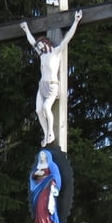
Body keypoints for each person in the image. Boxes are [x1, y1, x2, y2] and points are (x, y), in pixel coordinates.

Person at [21, 10, 83, 147]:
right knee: (38, 110)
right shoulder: (42, 55)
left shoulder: (55, 52)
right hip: (42, 85)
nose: (38, 47)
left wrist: (76, 21)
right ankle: (46, 133)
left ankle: (50, 132)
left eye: (40, 44)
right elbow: (32, 42)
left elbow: (68, 38)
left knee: (46, 107)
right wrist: (26, 30)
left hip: (52, 85)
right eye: (38, 46)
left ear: (45, 42)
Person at [29, 149, 62, 223]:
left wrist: (51, 181)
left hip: (47, 189)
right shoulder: (38, 166)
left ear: (47, 156)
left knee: (44, 206)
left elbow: (55, 176)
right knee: (38, 208)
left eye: (43, 155)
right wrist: (36, 175)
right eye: (40, 155)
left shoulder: (52, 165)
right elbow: (34, 177)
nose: (41, 156)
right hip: (38, 189)